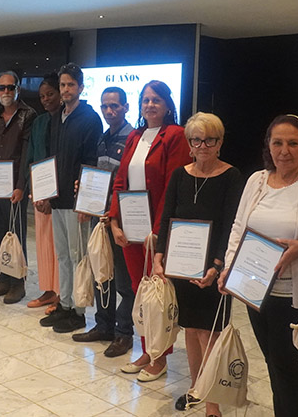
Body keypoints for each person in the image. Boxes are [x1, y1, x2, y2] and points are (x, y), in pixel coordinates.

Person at [219, 114, 298, 417]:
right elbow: (239, 227)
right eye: (277, 143)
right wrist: (229, 267)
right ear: (268, 145)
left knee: (286, 363)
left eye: (293, 143)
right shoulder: (256, 180)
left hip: (292, 294)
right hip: (254, 288)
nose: (284, 151)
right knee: (273, 362)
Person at [153, 112, 243, 416]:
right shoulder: (179, 175)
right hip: (183, 265)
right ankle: (196, 388)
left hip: (214, 269)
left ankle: (213, 402)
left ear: (220, 142)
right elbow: (167, 217)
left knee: (211, 333)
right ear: (189, 143)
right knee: (191, 329)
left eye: (209, 140)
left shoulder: (232, 176)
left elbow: (231, 225)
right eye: (196, 140)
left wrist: (217, 265)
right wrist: (159, 256)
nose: (202, 146)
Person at [109, 80, 191, 382]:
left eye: (156, 99)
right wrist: (115, 221)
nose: (150, 105)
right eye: (145, 100)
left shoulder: (176, 136)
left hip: (156, 232)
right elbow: (120, 180)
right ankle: (147, 350)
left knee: (158, 295)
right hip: (130, 230)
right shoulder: (135, 135)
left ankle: (160, 356)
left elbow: (172, 188)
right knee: (139, 292)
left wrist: (158, 232)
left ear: (167, 105)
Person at [72, 87, 136, 358]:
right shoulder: (102, 138)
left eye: (115, 106)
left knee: (123, 280)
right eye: (105, 106)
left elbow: (128, 183)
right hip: (100, 217)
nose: (109, 111)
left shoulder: (133, 138)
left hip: (120, 219)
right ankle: (103, 325)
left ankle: (124, 333)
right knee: (101, 273)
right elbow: (99, 176)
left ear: (126, 107)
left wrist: (114, 213)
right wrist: (84, 191)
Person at [39, 63, 102, 333]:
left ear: (81, 87)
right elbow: (51, 159)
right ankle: (64, 305)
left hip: (77, 203)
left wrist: (86, 200)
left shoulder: (90, 119)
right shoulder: (57, 118)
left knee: (79, 257)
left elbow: (92, 161)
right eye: (63, 85)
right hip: (58, 198)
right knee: (63, 256)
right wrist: (45, 192)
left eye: (70, 85)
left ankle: (78, 311)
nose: (66, 90)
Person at [0, 70, 37, 304]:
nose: (6, 91)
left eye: (10, 87)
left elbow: (27, 153)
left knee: (16, 235)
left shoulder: (28, 115)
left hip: (15, 185)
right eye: (2, 87)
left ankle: (17, 283)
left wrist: (22, 185)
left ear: (18, 89)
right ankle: (2, 279)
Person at [25, 74, 61, 310]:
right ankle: (48, 290)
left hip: (58, 195)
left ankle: (60, 294)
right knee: (43, 244)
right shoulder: (38, 122)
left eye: (50, 94)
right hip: (39, 192)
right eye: (42, 96)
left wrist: (51, 196)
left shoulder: (64, 121)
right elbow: (32, 157)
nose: (46, 99)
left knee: (59, 246)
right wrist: (34, 191)